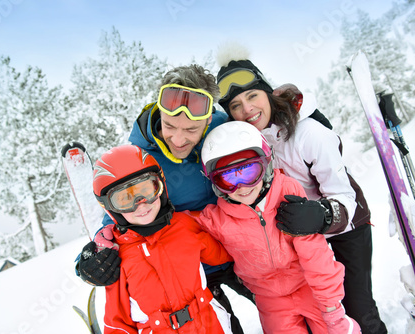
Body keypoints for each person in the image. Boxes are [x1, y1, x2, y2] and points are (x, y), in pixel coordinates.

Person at [215, 50, 387, 334]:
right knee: (319, 313)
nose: (246, 109)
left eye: (252, 96)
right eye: (236, 105)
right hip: (301, 239)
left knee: (355, 310)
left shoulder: (310, 135)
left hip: (346, 229)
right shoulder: (249, 145)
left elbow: (347, 198)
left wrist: (320, 214)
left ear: (267, 93)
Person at [76, 65, 254, 334]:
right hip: (191, 268)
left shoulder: (221, 127)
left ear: (208, 120)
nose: (179, 139)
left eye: (191, 129)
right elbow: (119, 215)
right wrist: (89, 260)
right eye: (170, 125)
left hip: (237, 249)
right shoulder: (141, 161)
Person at [193, 120, 360, 334]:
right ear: (214, 183)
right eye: (227, 179)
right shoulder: (217, 219)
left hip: (307, 286)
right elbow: (185, 231)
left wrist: (332, 308)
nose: (242, 187)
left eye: (249, 171)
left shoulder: (287, 194)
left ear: (266, 164)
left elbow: (316, 255)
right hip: (269, 299)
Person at [93, 144, 234, 333]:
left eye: (146, 190)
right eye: (125, 199)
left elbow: (223, 253)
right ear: (111, 208)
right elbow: (117, 323)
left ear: (160, 186)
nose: (140, 205)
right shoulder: (117, 257)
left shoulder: (184, 225)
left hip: (209, 324)